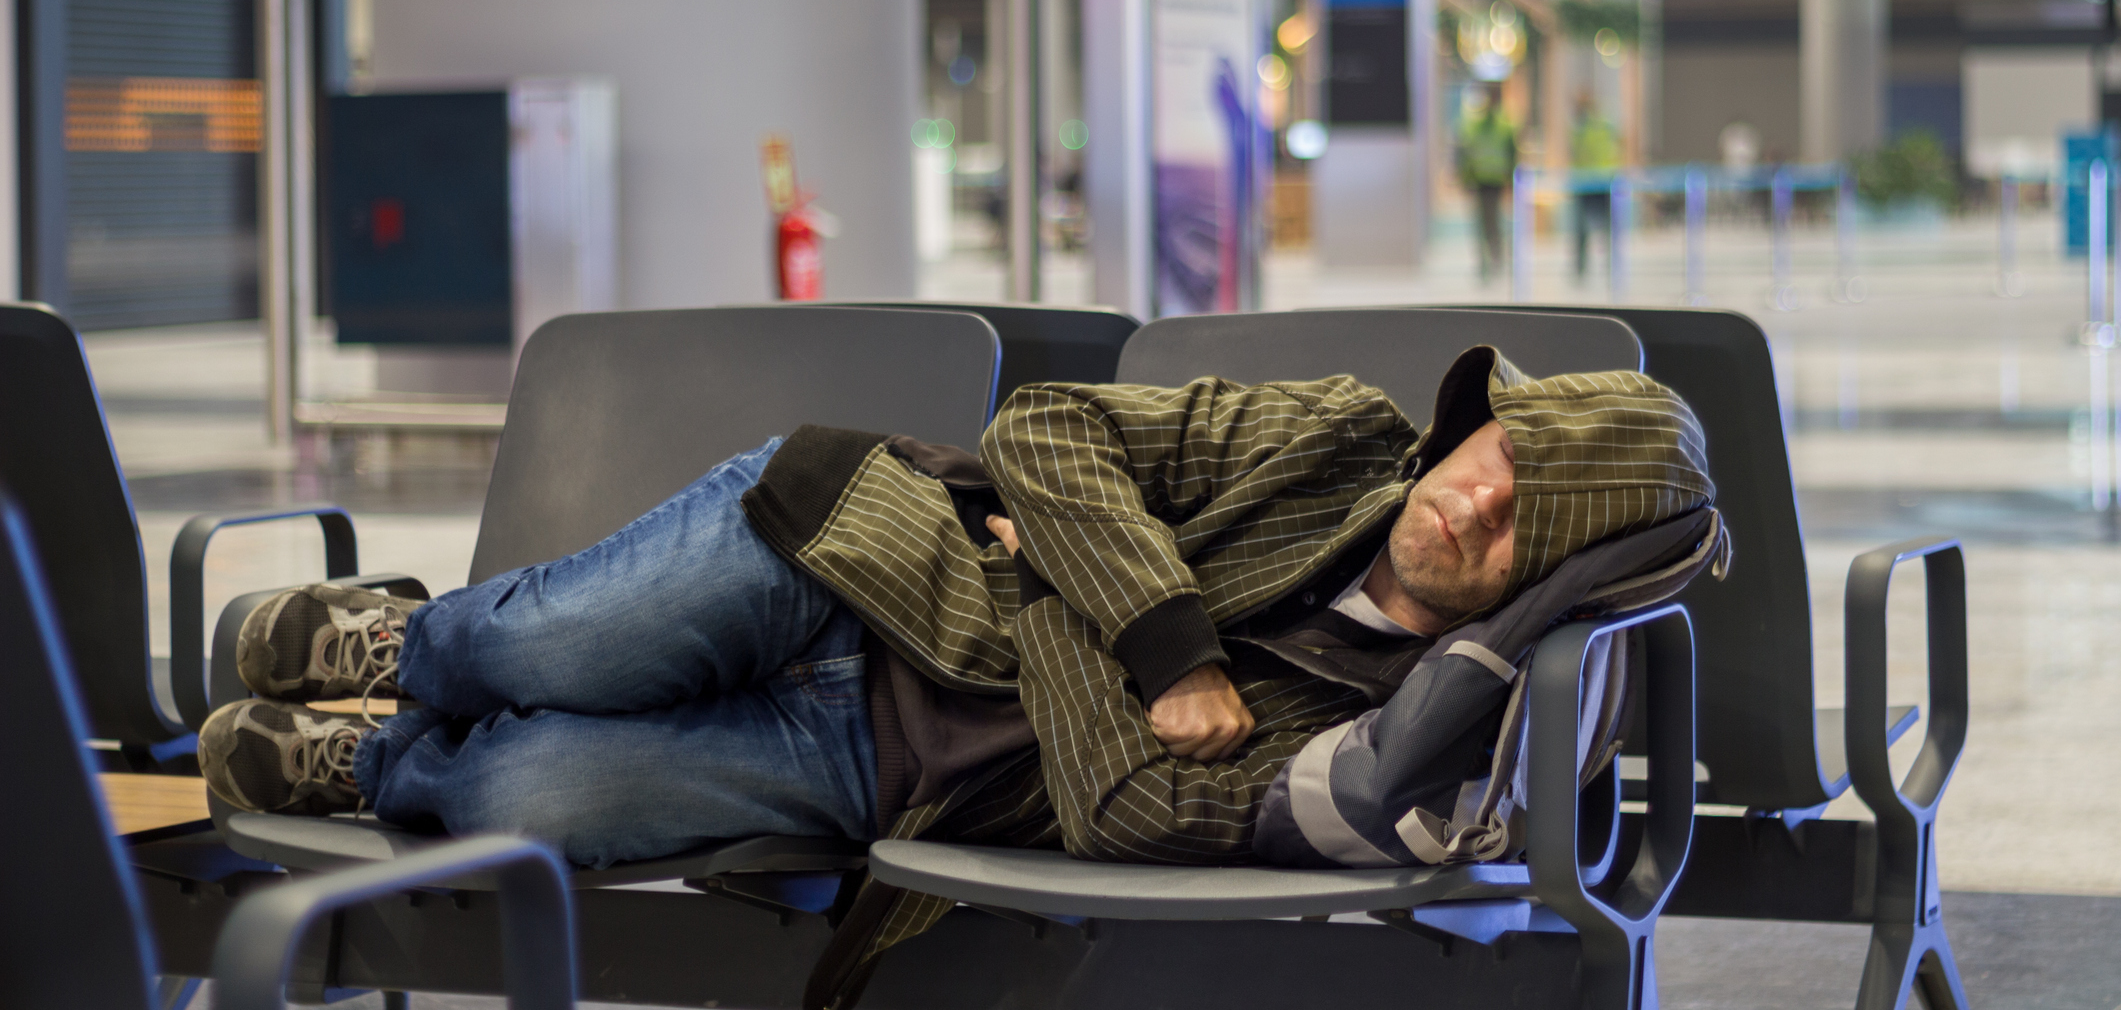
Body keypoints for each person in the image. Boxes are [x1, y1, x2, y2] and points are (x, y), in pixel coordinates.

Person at [201, 347, 1722, 976]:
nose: (1474, 490)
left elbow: (1130, 805)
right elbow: (1047, 427)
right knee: (550, 642)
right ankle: (408, 640)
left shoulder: (1393, 731)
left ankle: (379, 756)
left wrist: (1065, 570)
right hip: (848, 558)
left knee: (530, 793)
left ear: (1562, 582)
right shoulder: (1335, 435)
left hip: (886, 767)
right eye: (1502, 446)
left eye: (1535, 519)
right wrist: (1164, 639)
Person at [1457, 84, 1518, 283]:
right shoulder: (1474, 125)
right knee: (1482, 223)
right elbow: (1465, 154)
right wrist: (1465, 179)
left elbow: (1512, 154)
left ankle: (1495, 260)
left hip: (1496, 180)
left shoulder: (1505, 126)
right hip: (1479, 180)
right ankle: (1484, 262)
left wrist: (1511, 179)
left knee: (1493, 222)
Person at [1571, 91, 1623, 280]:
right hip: (1587, 183)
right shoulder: (1583, 127)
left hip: (1600, 183)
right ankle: (1584, 268)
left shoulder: (1588, 127)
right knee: (1584, 231)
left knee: (1602, 229)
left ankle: (1608, 266)